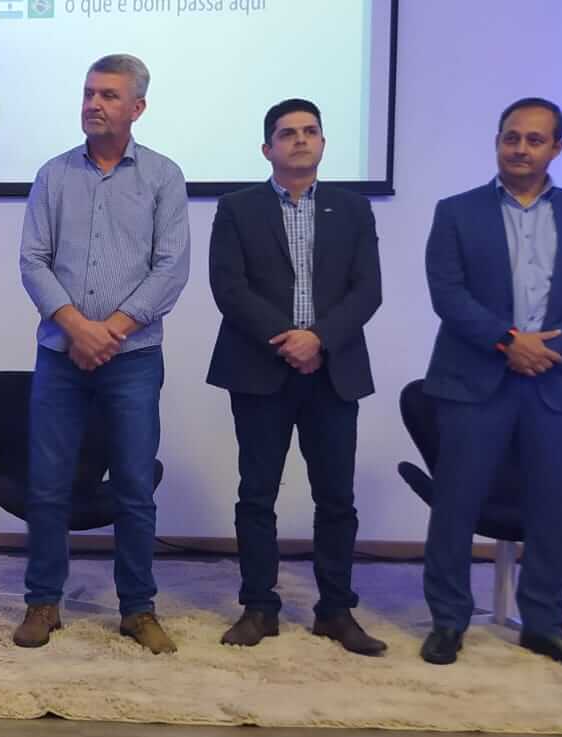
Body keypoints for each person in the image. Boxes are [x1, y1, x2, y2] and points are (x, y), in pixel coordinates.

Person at [14, 53, 190, 654]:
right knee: (48, 485)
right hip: (60, 354)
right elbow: (32, 260)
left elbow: (171, 269)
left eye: (109, 95)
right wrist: (75, 328)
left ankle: (138, 609)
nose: (94, 104)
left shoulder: (163, 177)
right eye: (89, 93)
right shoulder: (53, 174)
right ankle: (43, 602)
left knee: (134, 487)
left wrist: (108, 331)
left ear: (137, 107)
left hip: (133, 357)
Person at [419, 98, 562, 674]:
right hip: (475, 380)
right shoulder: (456, 212)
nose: (520, 149)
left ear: (557, 148)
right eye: (511, 138)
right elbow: (447, 293)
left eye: (534, 140)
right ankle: (449, 620)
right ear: (498, 141)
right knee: (456, 504)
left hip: (557, 382)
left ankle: (545, 625)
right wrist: (508, 341)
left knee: (553, 511)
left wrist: (548, 348)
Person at [206, 99, 386, 656]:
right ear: (268, 149)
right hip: (260, 368)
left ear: (324, 143)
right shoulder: (237, 208)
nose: (301, 140)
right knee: (257, 495)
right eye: (288, 133)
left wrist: (318, 339)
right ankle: (259, 607)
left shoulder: (353, 209)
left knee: (336, 498)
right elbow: (228, 287)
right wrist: (287, 338)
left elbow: (368, 290)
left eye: (311, 131)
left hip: (334, 371)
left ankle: (336, 610)